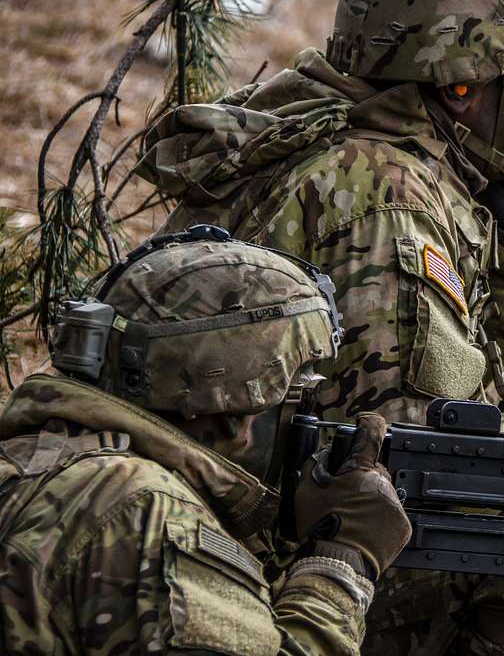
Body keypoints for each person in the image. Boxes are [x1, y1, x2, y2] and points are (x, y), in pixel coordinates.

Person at [138, 0, 504, 652]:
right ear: (462, 83)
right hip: (281, 560)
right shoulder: (382, 194)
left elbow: (459, 373)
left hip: (252, 500)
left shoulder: (344, 129)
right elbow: (407, 452)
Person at [0, 226, 411, 655]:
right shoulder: (150, 513)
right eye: (296, 396)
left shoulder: (32, 459)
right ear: (235, 406)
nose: (304, 418)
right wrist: (339, 564)